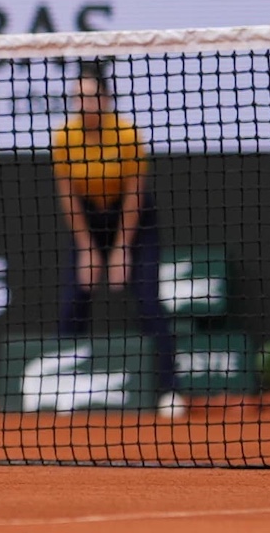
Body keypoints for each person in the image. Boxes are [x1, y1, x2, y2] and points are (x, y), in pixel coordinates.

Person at [51, 64, 182, 417]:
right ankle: (66, 386)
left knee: (148, 301)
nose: (81, 103)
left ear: (106, 100)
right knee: (72, 302)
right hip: (89, 220)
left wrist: (123, 247)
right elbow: (68, 196)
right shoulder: (64, 136)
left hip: (133, 220)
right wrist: (87, 249)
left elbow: (135, 194)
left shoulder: (127, 134)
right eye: (76, 96)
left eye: (89, 96)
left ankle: (169, 389)